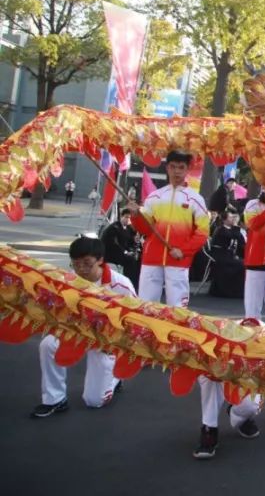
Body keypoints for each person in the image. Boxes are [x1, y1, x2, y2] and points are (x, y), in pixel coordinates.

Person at [32, 235, 136, 417]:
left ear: (101, 260)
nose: (81, 269)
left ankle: (115, 379)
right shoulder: (68, 280)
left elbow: (134, 320)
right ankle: (54, 399)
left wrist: (115, 344)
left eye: (87, 263)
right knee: (48, 344)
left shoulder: (121, 285)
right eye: (76, 263)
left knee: (94, 401)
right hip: (76, 331)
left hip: (106, 340)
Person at [130, 151, 210, 307]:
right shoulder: (155, 197)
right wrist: (135, 216)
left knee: (177, 307)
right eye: (173, 167)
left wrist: (184, 251)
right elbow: (146, 230)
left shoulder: (195, 199)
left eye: (181, 167)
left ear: (187, 170)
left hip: (178, 259)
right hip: (152, 258)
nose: (177, 171)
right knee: (146, 305)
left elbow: (202, 233)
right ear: (167, 168)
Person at [193, 317, 265, 459]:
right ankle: (209, 429)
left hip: (249, 373)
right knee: (209, 377)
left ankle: (240, 416)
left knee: (252, 406)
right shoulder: (217, 329)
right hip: (220, 364)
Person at [242, 191, 265, 319]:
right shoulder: (253, 204)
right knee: (252, 303)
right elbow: (251, 223)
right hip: (256, 260)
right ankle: (251, 330)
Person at [208, 206, 246, 298]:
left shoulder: (232, 230)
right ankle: (230, 291)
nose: (233, 219)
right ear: (224, 220)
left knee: (244, 263)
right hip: (220, 256)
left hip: (229, 255)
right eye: (230, 217)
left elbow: (240, 241)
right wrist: (236, 225)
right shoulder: (221, 229)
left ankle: (238, 291)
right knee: (240, 265)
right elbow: (232, 236)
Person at [100, 207, 139, 286]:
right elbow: (114, 244)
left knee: (137, 260)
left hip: (122, 252)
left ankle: (136, 282)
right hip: (111, 254)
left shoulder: (129, 228)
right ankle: (129, 282)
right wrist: (126, 252)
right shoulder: (114, 228)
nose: (128, 219)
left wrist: (134, 247)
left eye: (130, 218)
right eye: (126, 217)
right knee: (130, 261)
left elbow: (131, 241)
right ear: (121, 216)